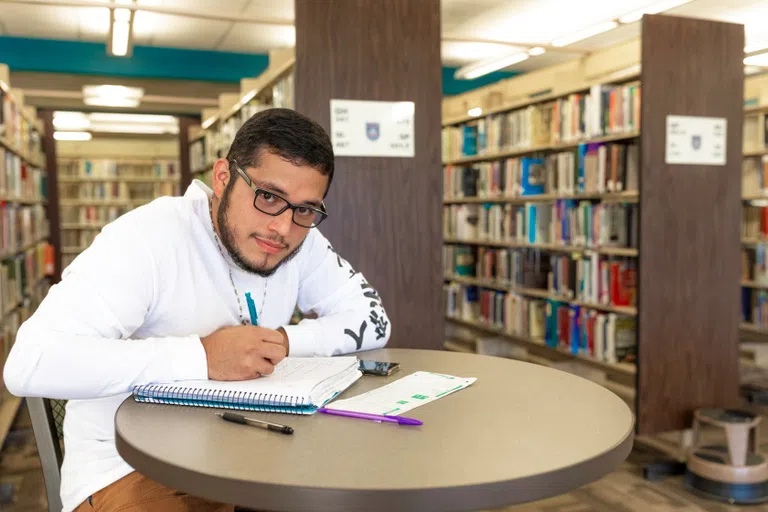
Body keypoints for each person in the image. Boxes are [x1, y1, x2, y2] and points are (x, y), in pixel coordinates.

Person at [3, 108, 391, 512]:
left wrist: (283, 340)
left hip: (256, 454)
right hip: (132, 467)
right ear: (223, 178)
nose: (283, 228)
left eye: (306, 209)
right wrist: (202, 356)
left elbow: (373, 318)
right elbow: (29, 363)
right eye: (269, 197)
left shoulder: (300, 238)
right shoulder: (147, 238)